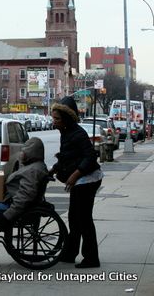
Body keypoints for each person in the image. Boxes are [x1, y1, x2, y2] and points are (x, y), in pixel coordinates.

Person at [49, 96, 103, 269]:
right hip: (79, 180)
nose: (54, 121)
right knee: (74, 218)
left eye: (57, 118)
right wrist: (53, 170)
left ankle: (91, 258)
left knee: (84, 219)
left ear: (66, 118)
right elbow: (67, 156)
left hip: (87, 180)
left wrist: (75, 175)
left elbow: (90, 157)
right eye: (53, 117)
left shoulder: (78, 133)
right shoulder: (66, 132)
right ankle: (70, 253)